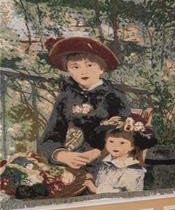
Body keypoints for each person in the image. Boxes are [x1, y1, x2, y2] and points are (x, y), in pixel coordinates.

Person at [37, 35, 132, 168]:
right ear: (68, 70)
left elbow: (126, 137)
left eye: (89, 65)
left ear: (101, 68)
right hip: (68, 163)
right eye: (75, 67)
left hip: (104, 162)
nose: (83, 71)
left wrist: (97, 152)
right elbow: (50, 136)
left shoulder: (115, 97)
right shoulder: (66, 97)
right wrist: (61, 155)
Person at [88, 111, 157, 194]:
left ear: (132, 146)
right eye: (111, 141)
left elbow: (126, 194)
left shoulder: (132, 170)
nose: (115, 146)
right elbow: (104, 183)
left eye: (122, 143)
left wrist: (95, 189)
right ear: (105, 142)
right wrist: (91, 179)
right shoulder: (107, 164)